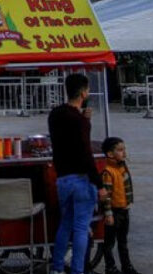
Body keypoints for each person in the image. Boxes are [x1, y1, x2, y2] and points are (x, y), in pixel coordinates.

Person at [48, 73, 106, 274]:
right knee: (81, 228)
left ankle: (56, 268)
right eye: (88, 90)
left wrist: (83, 118)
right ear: (83, 92)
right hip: (81, 179)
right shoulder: (80, 122)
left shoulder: (55, 114)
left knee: (65, 224)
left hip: (63, 179)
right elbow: (85, 153)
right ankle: (77, 270)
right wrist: (99, 184)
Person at [100, 137, 138, 274]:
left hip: (124, 209)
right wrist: (108, 214)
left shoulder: (121, 167)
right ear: (110, 154)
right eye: (120, 150)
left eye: (124, 149)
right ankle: (110, 267)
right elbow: (107, 196)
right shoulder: (108, 172)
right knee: (109, 243)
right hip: (114, 212)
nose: (124, 153)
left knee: (123, 242)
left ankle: (126, 266)